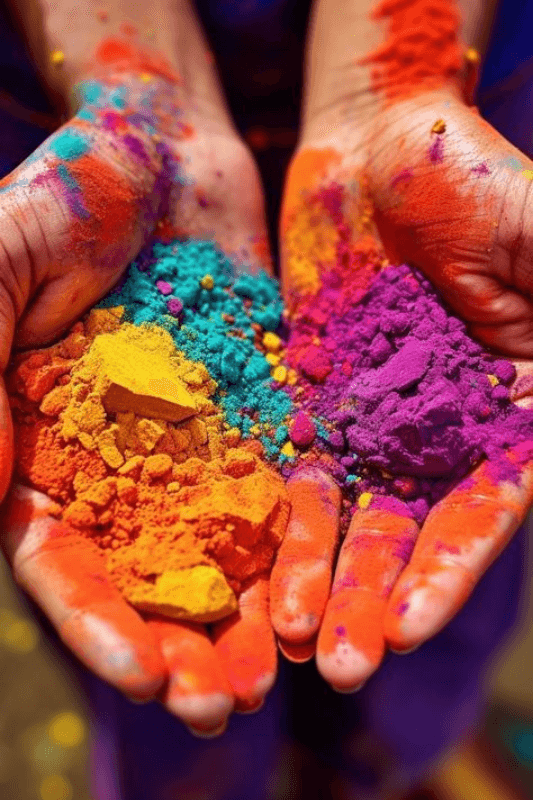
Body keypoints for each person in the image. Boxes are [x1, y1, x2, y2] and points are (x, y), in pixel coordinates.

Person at [0, 0, 532, 797]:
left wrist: (392, 82)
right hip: (98, 134)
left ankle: (385, 765)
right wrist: (133, 84)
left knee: (420, 635)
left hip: (434, 131)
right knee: (175, 695)